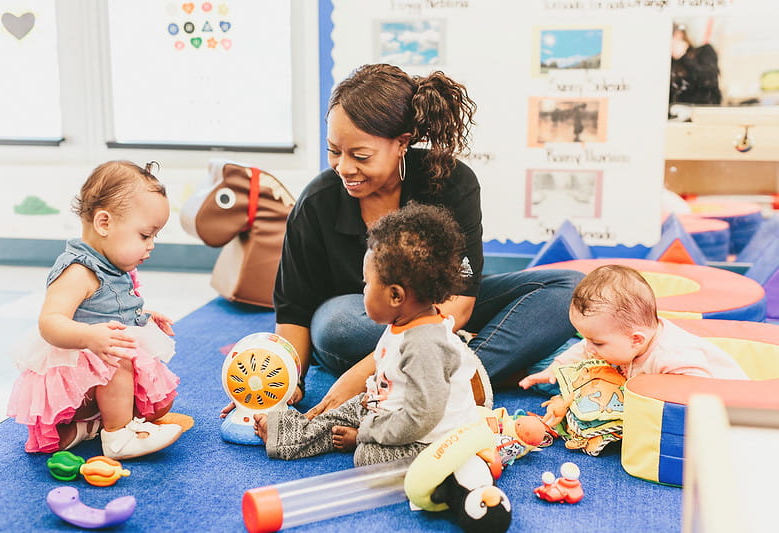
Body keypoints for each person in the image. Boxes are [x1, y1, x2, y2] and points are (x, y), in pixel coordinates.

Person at [270, 63, 583, 417]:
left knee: (573, 289)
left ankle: (451, 375)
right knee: (335, 325)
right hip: (363, 321)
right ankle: (478, 369)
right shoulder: (317, 202)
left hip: (444, 314)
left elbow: (461, 303)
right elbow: (294, 311)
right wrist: (286, 379)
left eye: (360, 156)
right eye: (333, 151)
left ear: (402, 143)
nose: (343, 167)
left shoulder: (453, 183)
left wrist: (364, 371)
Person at [253, 203, 490, 465]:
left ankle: (349, 439)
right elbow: (391, 377)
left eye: (367, 284)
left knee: (366, 456)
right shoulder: (403, 322)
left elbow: (421, 418)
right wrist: (371, 403)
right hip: (391, 411)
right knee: (342, 412)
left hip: (429, 436)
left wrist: (365, 433)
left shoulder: (425, 344)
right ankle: (290, 434)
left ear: (395, 296)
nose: (363, 290)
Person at [7, 161, 184, 460]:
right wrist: (90, 337)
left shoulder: (109, 264)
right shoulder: (78, 270)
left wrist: (144, 316)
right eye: (145, 235)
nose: (151, 245)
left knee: (160, 404)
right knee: (115, 355)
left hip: (100, 372)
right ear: (104, 223)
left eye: (154, 236)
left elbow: (110, 307)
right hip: (77, 374)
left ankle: (91, 426)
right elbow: (49, 322)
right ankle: (117, 438)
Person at [518, 264, 748, 393]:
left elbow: (699, 394)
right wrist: (554, 369)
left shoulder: (674, 356)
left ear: (636, 339)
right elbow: (582, 350)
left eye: (597, 342)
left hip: (734, 400)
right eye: (588, 339)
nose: (589, 347)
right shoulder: (625, 340)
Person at [669, 24, 722, 106]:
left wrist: (684, 57)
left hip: (702, 110)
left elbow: (708, 79)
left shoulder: (704, 52)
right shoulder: (668, 61)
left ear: (680, 35)